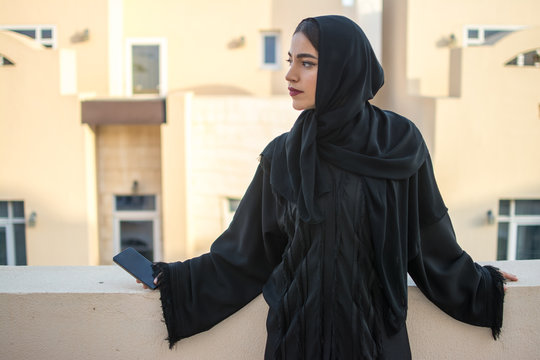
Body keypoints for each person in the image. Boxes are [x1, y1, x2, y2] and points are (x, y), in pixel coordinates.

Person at [138, 15, 518, 359]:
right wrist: (175, 281)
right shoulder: (282, 156)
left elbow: (429, 237)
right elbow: (246, 252)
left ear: (344, 69)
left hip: (377, 345)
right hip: (296, 344)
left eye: (307, 63)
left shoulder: (398, 144)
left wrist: (480, 285)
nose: (290, 75)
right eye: (290, 61)